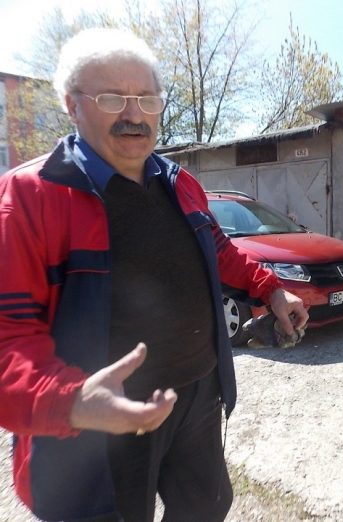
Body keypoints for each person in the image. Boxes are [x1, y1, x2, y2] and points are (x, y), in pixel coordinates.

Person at [0, 27, 308, 522]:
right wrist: (70, 400)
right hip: (99, 424)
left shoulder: (180, 182)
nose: (134, 114)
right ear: (71, 105)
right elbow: (7, 339)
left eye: (147, 98)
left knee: (206, 505)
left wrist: (271, 291)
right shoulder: (29, 197)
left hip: (197, 393)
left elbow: (221, 252)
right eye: (111, 98)